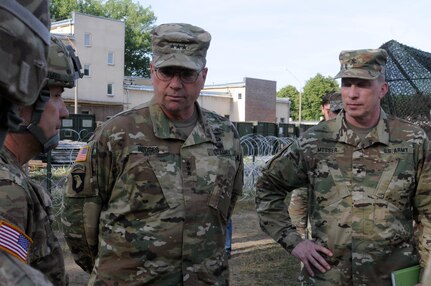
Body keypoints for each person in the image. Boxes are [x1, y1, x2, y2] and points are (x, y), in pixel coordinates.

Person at [62, 23, 244, 285]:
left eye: (187, 74)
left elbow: (225, 209)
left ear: (203, 76)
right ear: (152, 71)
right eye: (166, 72)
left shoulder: (225, 135)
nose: (175, 84)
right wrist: (113, 269)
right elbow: (79, 216)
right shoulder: (118, 133)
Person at [255, 49, 431, 285]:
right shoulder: (315, 140)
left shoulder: (412, 140)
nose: (352, 94)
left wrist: (426, 274)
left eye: (362, 84)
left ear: (382, 90)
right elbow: (267, 186)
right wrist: (294, 242)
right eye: (347, 84)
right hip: (328, 276)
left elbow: (428, 213)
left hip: (390, 277)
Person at [0, 34, 83, 285]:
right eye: (56, 97)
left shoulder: (13, 177)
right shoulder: (7, 191)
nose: (65, 111)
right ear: (22, 103)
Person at [288, 91, 342, 238]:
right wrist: (299, 231)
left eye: (342, 111)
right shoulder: (311, 140)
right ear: (324, 108)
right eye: (335, 111)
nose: (337, 116)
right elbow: (300, 189)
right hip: (321, 223)